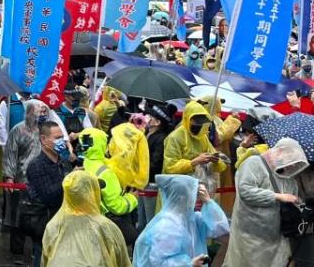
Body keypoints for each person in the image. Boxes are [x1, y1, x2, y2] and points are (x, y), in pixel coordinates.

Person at [226, 137, 310, 267]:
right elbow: (245, 191)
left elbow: (292, 196)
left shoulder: (287, 174)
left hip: (276, 234)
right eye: (290, 159)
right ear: (279, 152)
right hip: (250, 235)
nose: (292, 165)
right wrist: (277, 196)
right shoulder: (253, 163)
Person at [133, 174, 229, 267]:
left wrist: (208, 202)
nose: (195, 198)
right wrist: (189, 264)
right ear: (182, 197)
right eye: (193, 194)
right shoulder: (167, 225)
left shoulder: (192, 219)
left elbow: (221, 230)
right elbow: (159, 262)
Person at [40, 170, 132, 267]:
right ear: (90, 195)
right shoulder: (106, 227)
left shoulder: (53, 226)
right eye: (96, 190)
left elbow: (45, 261)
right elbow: (123, 262)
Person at [3, 99, 50, 259]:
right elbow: (10, 154)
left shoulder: (47, 131)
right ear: (29, 112)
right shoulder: (18, 130)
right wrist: (9, 177)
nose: (42, 114)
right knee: (18, 216)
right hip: (21, 180)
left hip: (42, 182)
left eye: (44, 111)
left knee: (40, 216)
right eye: (39, 111)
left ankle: (37, 250)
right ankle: (17, 252)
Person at [78, 128, 138, 247]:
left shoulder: (84, 164)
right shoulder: (105, 172)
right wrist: (133, 198)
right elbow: (116, 206)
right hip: (109, 228)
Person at [22, 121, 71, 267]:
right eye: (57, 138)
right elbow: (48, 196)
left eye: (62, 137)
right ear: (44, 139)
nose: (61, 141)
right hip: (45, 223)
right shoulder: (36, 166)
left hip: (64, 222)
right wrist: (68, 180)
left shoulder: (63, 161)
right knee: (43, 257)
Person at [163, 101, 226, 194]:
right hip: (176, 190)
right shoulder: (174, 138)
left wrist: (215, 161)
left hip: (198, 189)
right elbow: (170, 167)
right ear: (187, 119)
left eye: (201, 123)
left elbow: (220, 166)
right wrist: (194, 162)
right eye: (195, 122)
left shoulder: (202, 137)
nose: (198, 126)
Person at [139, 103, 174, 231]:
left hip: (152, 183)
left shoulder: (161, 139)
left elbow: (156, 162)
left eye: (150, 116)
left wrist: (141, 171)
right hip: (142, 182)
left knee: (150, 222)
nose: (147, 117)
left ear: (157, 122)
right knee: (141, 221)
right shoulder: (146, 134)